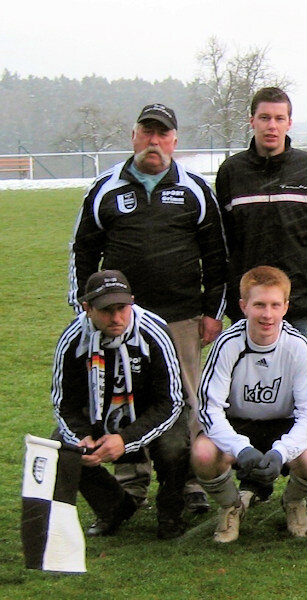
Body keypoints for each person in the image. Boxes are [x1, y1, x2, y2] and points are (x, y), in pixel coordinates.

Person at [69, 103, 226, 513]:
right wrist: (83, 309)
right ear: (134, 136)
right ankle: (131, 482)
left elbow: (216, 256)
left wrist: (212, 311)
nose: (154, 142)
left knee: (185, 399)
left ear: (175, 141)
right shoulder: (105, 189)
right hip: (117, 320)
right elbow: (82, 252)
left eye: (162, 134)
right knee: (120, 397)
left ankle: (188, 482)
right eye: (146, 133)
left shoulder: (195, 189)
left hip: (180, 317)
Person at [216, 86, 307, 508]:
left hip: (301, 305)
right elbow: (226, 240)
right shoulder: (232, 172)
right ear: (252, 120)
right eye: (264, 117)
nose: (272, 126)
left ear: (290, 122)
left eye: (279, 118)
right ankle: (256, 474)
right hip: (250, 308)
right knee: (249, 390)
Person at [192, 266, 307, 543]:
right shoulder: (227, 344)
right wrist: (239, 448)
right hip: (239, 425)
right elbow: (209, 408)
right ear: (243, 306)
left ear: (286, 307)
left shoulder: (298, 345)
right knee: (203, 453)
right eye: (259, 305)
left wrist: (282, 452)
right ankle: (231, 507)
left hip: (283, 426)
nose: (267, 314)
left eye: (275, 305)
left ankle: (293, 503)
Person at [51, 270, 188, 539]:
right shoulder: (72, 340)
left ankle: (170, 513)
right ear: (87, 308)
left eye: (122, 308)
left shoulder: (155, 332)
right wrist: (82, 438)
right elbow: (63, 403)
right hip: (99, 418)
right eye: (106, 310)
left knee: (175, 446)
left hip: (151, 415)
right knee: (63, 446)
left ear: (132, 302)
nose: (116, 318)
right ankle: (114, 508)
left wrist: (125, 439)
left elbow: (171, 401)